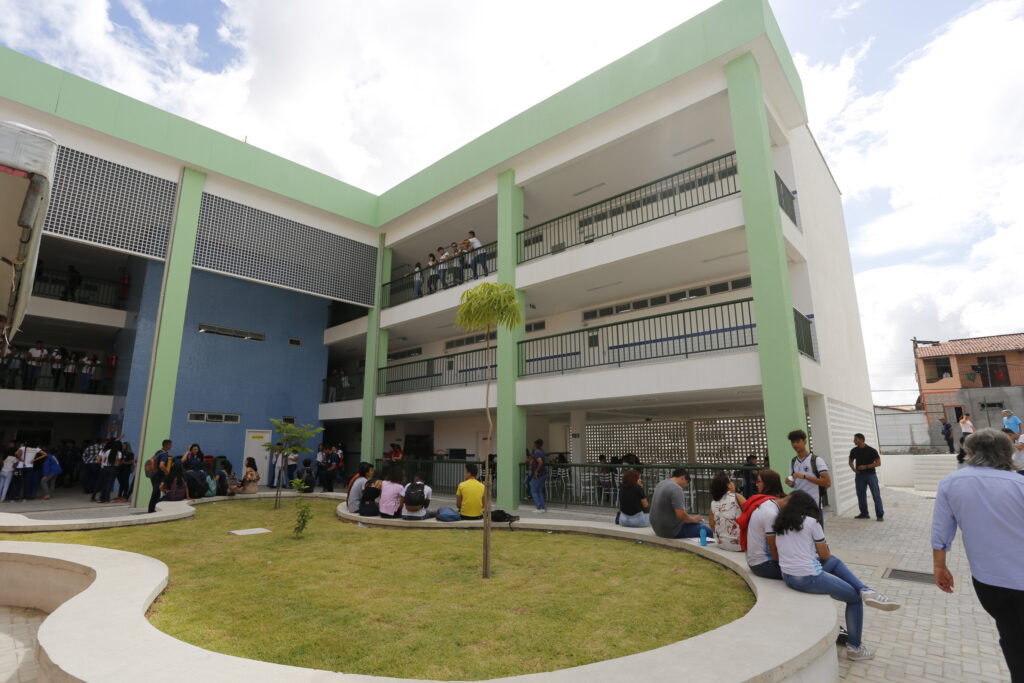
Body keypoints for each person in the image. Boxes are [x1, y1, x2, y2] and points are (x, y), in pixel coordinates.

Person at [932, 429, 1024, 679]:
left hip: (988, 582)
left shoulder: (951, 483)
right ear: (1008, 453)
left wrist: (940, 566)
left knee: (1011, 638)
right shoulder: (1019, 484)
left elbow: (941, 530)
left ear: (970, 453)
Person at [771, 490, 900, 662]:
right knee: (853, 598)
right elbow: (825, 555)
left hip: (788, 575)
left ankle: (866, 590)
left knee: (835, 562)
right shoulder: (811, 523)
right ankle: (855, 648)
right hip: (808, 577)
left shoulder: (780, 523)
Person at [739, 469, 787, 579]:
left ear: (768, 483)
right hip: (765, 563)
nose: (756, 484)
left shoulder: (760, 502)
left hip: (756, 561)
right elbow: (774, 547)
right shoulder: (769, 509)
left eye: (759, 481)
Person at [649, 468, 714, 539]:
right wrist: (693, 519)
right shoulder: (676, 488)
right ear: (682, 478)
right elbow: (681, 516)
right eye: (686, 483)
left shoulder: (660, 484)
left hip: (657, 529)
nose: (684, 486)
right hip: (671, 531)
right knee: (708, 531)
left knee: (694, 523)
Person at [785, 429, 830, 512]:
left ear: (805, 442)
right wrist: (789, 482)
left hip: (814, 505)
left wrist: (805, 477)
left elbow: (827, 482)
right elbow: (793, 485)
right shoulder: (793, 461)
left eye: (797, 441)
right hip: (798, 506)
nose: (795, 444)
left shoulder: (816, 460)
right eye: (792, 442)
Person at [849, 433, 884, 521]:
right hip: (859, 476)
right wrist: (854, 469)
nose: (854, 441)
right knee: (861, 495)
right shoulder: (854, 450)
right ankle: (864, 513)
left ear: (861, 440)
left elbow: (878, 463)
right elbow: (850, 461)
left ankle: (880, 515)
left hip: (871, 475)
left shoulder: (872, 450)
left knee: (876, 495)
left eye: (855, 439)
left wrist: (866, 467)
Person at [709, 471, 745, 551]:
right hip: (739, 545)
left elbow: (711, 524)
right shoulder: (737, 497)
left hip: (721, 544)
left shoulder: (713, 503)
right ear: (728, 486)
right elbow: (751, 515)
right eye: (731, 481)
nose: (733, 483)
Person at [147, 439, 173, 513]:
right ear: (167, 445)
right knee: (156, 493)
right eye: (170, 445)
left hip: (153, 474)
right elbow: (161, 465)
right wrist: (167, 472)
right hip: (158, 476)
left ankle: (151, 509)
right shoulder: (164, 454)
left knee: (156, 492)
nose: (171, 446)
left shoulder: (158, 452)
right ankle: (151, 510)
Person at [529, 438, 548, 513]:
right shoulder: (541, 451)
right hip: (544, 474)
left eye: (534, 444)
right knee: (540, 491)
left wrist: (536, 471)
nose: (533, 445)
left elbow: (540, 462)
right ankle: (542, 508)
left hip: (538, 475)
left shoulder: (537, 452)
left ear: (536, 444)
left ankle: (539, 508)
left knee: (533, 491)